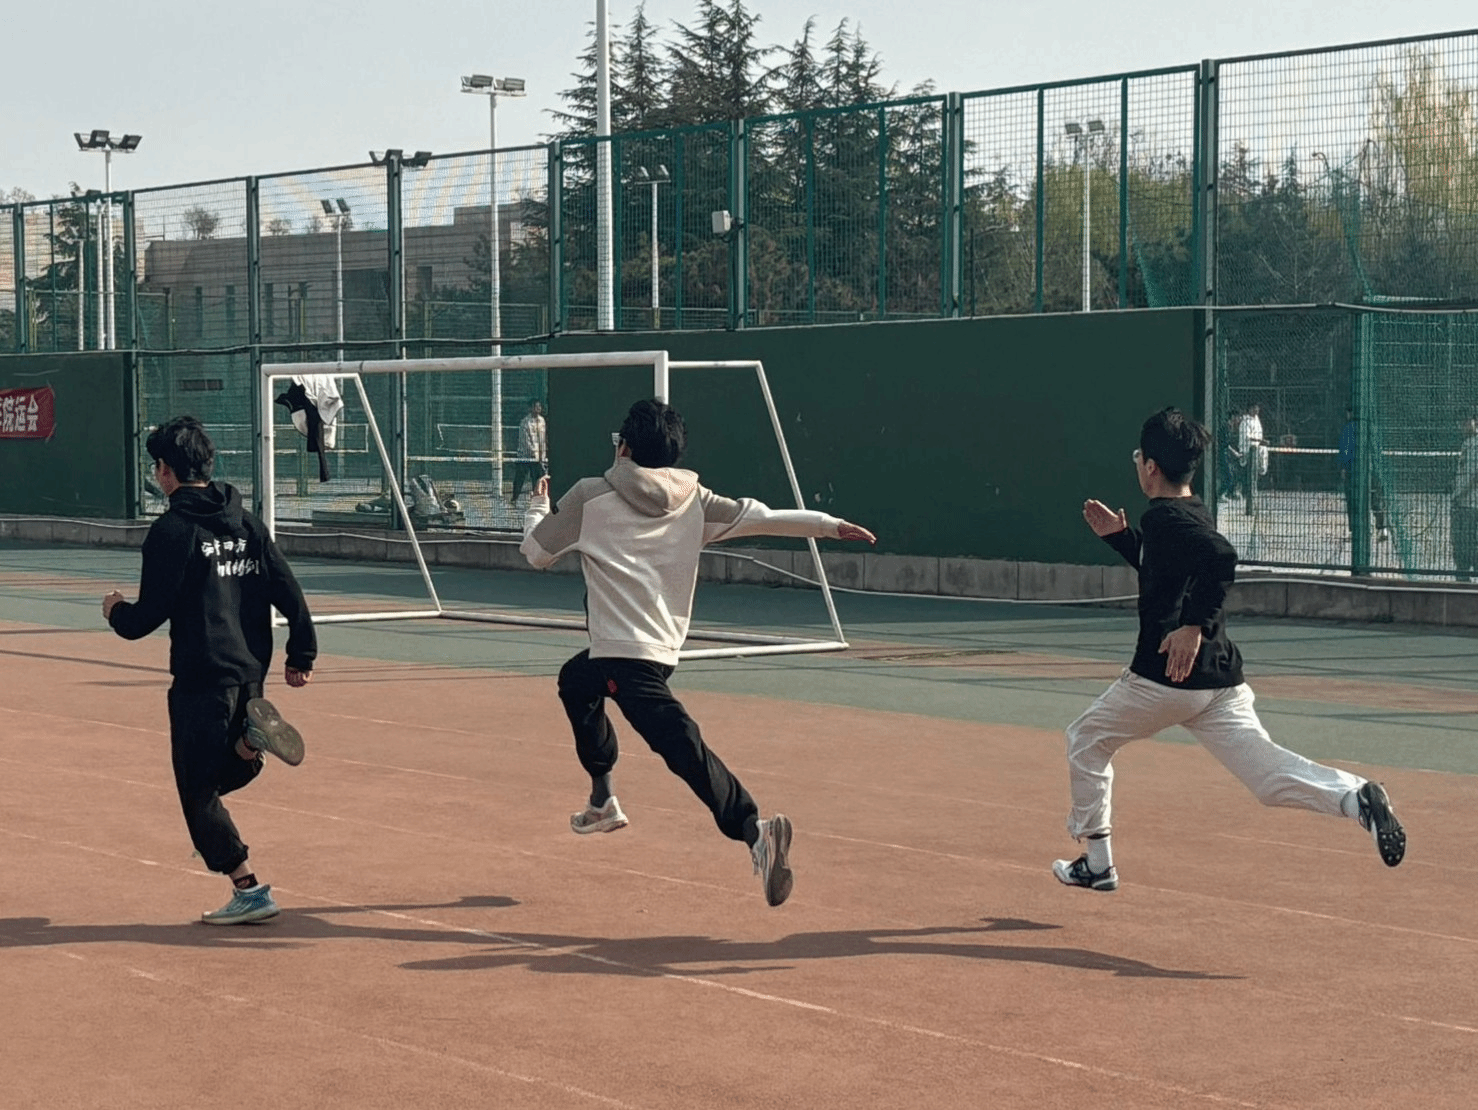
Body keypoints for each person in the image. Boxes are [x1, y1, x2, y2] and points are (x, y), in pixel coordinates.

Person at [519, 398, 876, 907]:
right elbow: (764, 517)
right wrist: (828, 523)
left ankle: (755, 830)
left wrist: (536, 508)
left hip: (624, 658)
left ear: (624, 448)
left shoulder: (589, 496)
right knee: (575, 681)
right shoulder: (696, 501)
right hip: (652, 652)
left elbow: (535, 552)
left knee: (684, 748)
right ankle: (602, 799)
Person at [1053, 406, 1406, 893]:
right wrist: (1121, 539)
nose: (1137, 465)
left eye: (1138, 457)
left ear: (1151, 467)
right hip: (1217, 682)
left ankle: (1098, 864)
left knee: (1084, 741)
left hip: (1164, 679)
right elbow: (1170, 568)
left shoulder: (1166, 519)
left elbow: (1220, 557)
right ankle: (1356, 798)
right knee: (1268, 778)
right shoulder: (1190, 511)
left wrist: (1192, 625)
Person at [103, 415, 317, 925]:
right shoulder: (247, 523)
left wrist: (115, 610)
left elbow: (145, 618)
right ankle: (249, 742)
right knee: (217, 774)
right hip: (250, 674)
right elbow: (287, 588)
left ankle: (248, 887)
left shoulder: (172, 531)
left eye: (156, 467)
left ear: (165, 471)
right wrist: (301, 653)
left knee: (197, 793)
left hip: (202, 679)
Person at [1338, 408, 1390, 545]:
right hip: (1372, 469)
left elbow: (1345, 450)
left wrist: (1343, 467)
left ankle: (1357, 531)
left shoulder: (1349, 428)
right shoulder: (1372, 428)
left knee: (1353, 500)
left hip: (1354, 470)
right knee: (1375, 499)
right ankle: (1382, 529)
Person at [1451, 411, 1478, 581]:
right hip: (1467, 502)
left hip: (1469, 503)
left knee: (1464, 542)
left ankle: (1463, 576)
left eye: (1465, 422)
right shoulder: (1468, 443)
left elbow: (1472, 475)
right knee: (1468, 542)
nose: (1462, 427)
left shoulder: (1473, 444)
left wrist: (1458, 495)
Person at [510, 398, 548, 504]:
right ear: (530, 408)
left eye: (539, 407)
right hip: (525, 456)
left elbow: (543, 439)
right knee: (520, 478)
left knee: (537, 479)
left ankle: (536, 499)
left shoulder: (542, 421)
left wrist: (542, 455)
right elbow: (525, 441)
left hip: (538, 458)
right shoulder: (525, 422)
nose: (538, 409)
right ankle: (514, 498)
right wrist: (534, 453)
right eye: (536, 407)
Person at [1235, 402, 1264, 515]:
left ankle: (1252, 494)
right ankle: (1241, 493)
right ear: (1250, 408)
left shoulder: (1257, 420)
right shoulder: (1245, 421)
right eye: (1255, 408)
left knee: (1254, 474)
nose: (1257, 410)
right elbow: (1247, 436)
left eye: (1258, 408)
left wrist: (1259, 441)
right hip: (1247, 451)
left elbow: (1259, 434)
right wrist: (1258, 440)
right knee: (1245, 474)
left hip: (1256, 450)